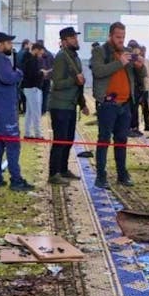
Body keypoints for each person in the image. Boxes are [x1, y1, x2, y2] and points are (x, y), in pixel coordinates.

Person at [90, 21, 143, 189]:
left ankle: (122, 174)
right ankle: (101, 176)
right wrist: (119, 62)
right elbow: (98, 71)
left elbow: (140, 75)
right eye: (118, 37)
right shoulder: (100, 51)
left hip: (125, 104)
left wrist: (140, 67)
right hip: (108, 104)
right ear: (111, 36)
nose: (121, 40)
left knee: (121, 140)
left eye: (123, 37)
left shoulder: (127, 52)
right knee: (104, 139)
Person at [0, 32, 35, 191]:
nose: (11, 46)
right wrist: (19, 73)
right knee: (13, 144)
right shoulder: (1, 60)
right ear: (0, 45)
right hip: (3, 107)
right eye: (8, 43)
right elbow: (8, 78)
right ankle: (16, 180)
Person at [48, 27, 89, 185]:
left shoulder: (74, 56)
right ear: (64, 41)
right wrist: (75, 80)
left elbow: (79, 83)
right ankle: (53, 173)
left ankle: (63, 169)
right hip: (60, 105)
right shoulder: (61, 57)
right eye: (72, 38)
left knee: (68, 140)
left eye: (75, 37)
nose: (76, 40)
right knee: (60, 140)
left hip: (70, 105)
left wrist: (83, 104)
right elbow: (57, 83)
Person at [21, 42, 48, 139]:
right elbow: (32, 75)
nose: (41, 55)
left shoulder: (29, 58)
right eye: (40, 53)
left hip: (29, 88)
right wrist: (42, 73)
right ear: (36, 50)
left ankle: (27, 133)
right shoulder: (31, 60)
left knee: (29, 112)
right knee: (36, 112)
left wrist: (40, 72)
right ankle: (38, 134)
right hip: (33, 88)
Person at [126, 41, 148, 136]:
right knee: (129, 110)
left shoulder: (138, 60)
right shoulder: (125, 58)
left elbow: (143, 75)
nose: (136, 55)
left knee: (135, 110)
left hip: (137, 89)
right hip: (128, 89)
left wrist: (140, 66)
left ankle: (135, 128)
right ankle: (129, 128)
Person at [37, 39, 54, 115]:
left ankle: (39, 110)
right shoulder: (50, 54)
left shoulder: (37, 55)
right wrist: (49, 72)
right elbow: (54, 66)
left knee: (38, 95)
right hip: (47, 78)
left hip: (39, 78)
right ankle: (44, 109)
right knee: (45, 94)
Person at [15, 39, 32, 114]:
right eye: (29, 44)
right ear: (26, 44)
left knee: (18, 93)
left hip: (17, 75)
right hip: (24, 76)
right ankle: (25, 109)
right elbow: (27, 66)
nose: (30, 45)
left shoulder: (18, 53)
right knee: (25, 95)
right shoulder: (27, 53)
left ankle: (18, 108)